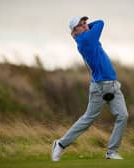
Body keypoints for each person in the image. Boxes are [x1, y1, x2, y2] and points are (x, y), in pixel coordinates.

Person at [51, 16, 129, 161]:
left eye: (86, 22)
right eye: (81, 25)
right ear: (76, 30)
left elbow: (93, 26)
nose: (86, 25)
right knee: (87, 119)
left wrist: (82, 28)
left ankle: (111, 152)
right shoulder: (86, 39)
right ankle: (60, 144)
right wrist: (84, 29)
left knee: (123, 115)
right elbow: (101, 22)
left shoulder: (85, 37)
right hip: (100, 87)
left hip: (112, 84)